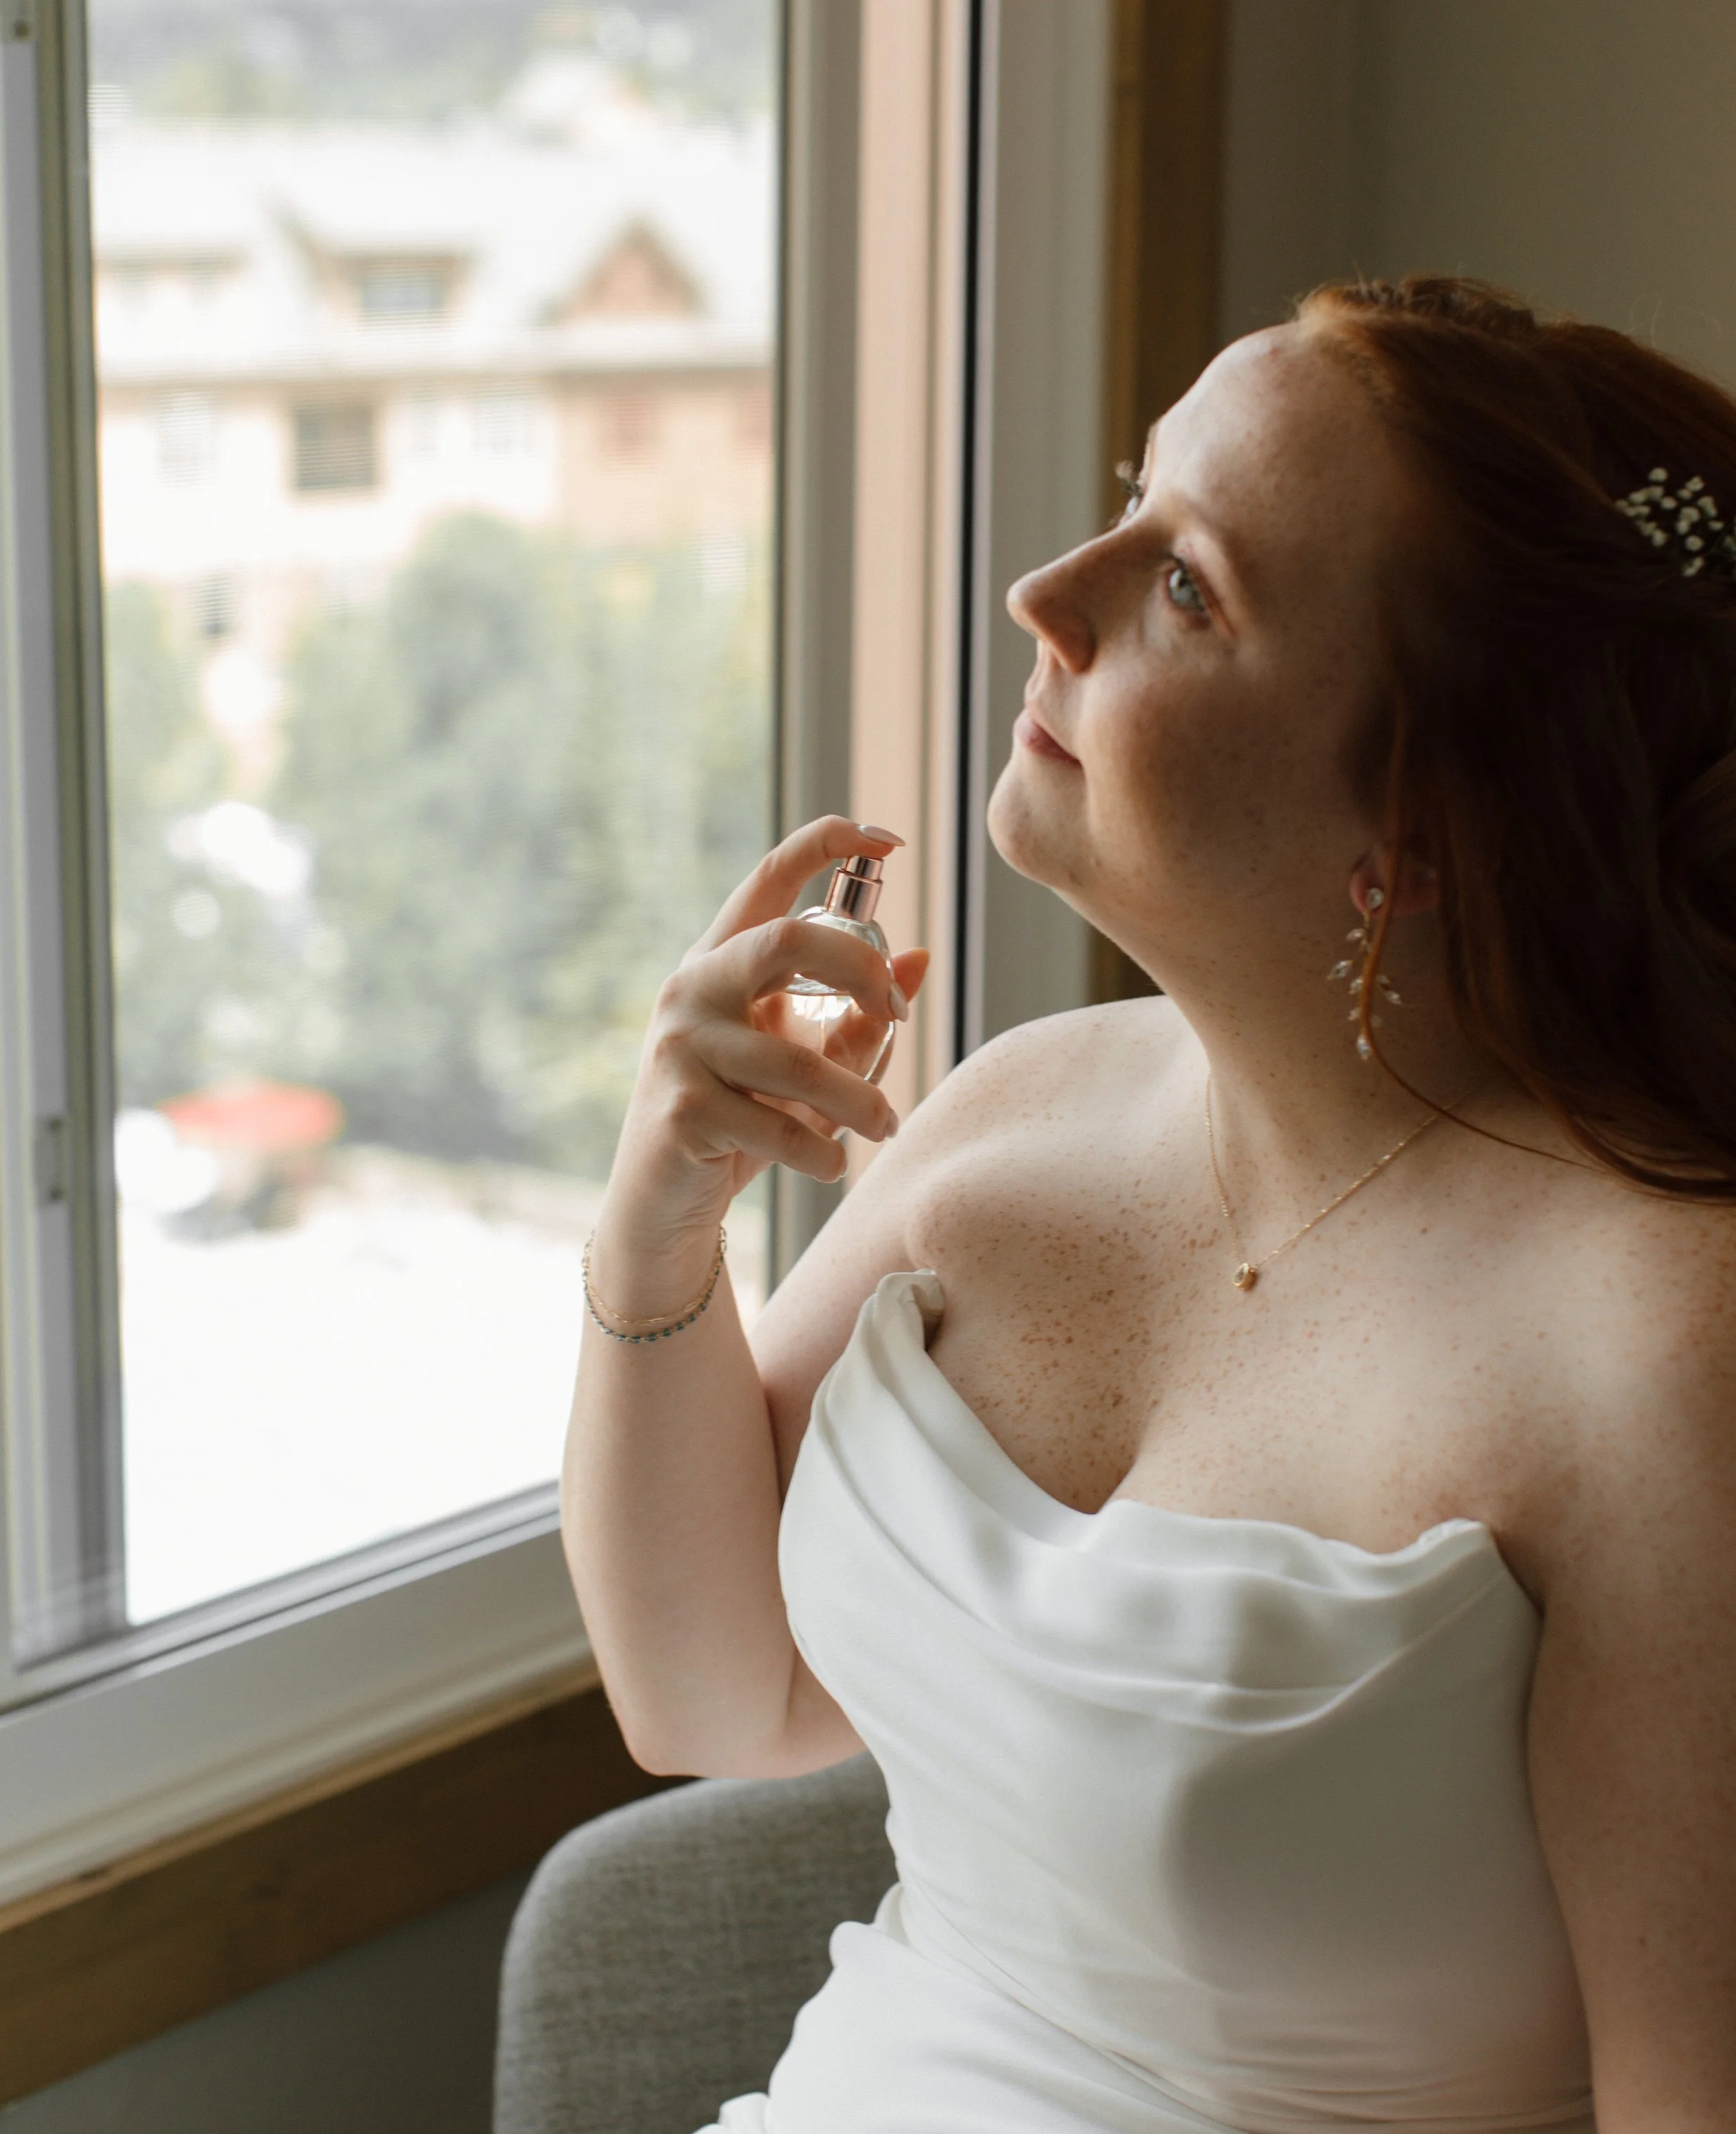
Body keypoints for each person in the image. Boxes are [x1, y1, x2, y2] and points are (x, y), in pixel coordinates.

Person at [561, 275, 1736, 2134]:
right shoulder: (1017, 1104)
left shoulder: (1656, 1340)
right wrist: (659, 1223)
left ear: (1417, 832)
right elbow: (715, 1700)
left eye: (1187, 584)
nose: (1046, 588)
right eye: (1130, 490)